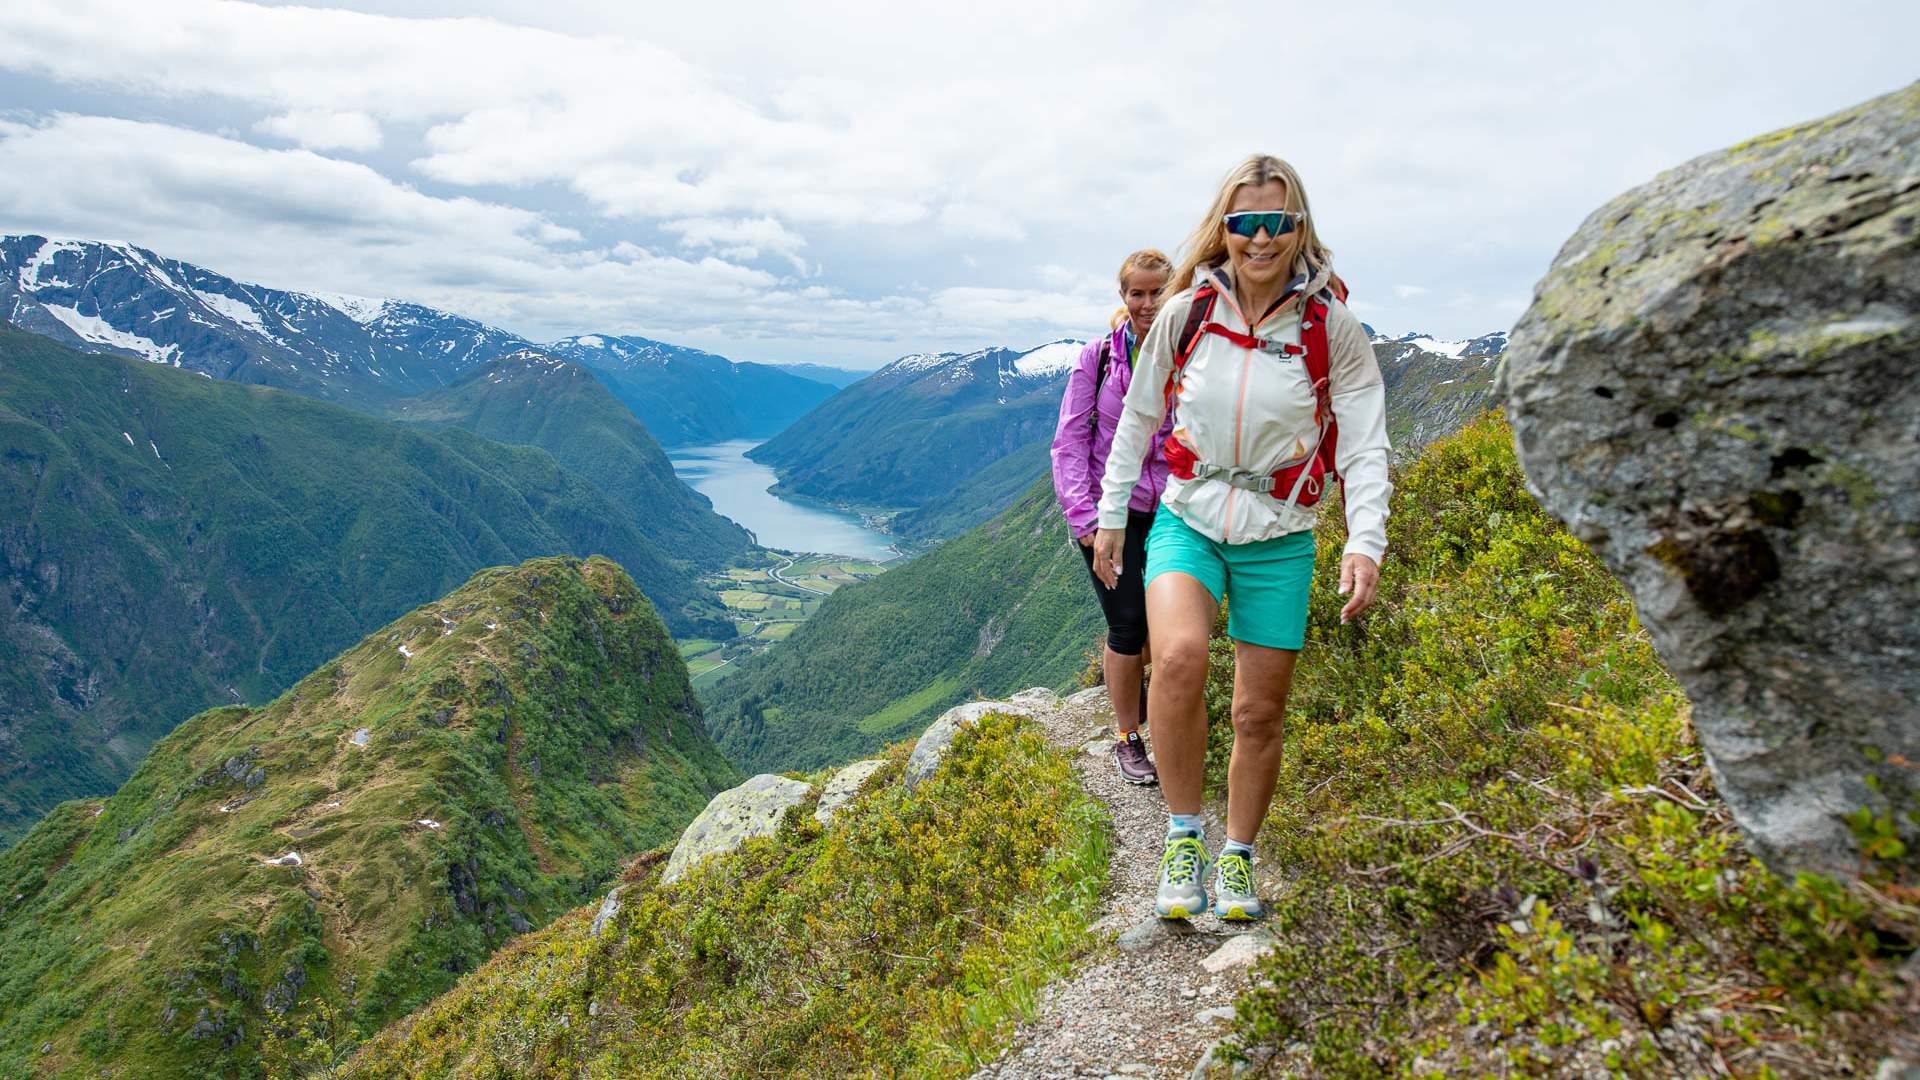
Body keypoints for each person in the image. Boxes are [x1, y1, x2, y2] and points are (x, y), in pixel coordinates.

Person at [1092, 155, 1390, 921]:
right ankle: (1183, 832)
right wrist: (1113, 513)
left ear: (1300, 229)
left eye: (1277, 223)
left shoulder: (1334, 330)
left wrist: (1366, 541)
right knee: (1181, 659)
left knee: (1259, 711)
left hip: (1282, 533)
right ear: (1222, 229)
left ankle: (1237, 857)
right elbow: (1138, 418)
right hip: (1189, 518)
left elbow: (1363, 441)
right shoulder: (1191, 313)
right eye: (1244, 223)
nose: (1260, 239)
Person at [1051, 248, 1176, 785]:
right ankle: (1129, 737)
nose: (1148, 303)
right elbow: (1070, 442)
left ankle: (1158, 709)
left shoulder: (1190, 354)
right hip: (1111, 518)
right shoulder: (1099, 359)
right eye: (1137, 293)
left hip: (1175, 511)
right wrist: (1087, 523)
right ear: (1123, 297)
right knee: (1127, 624)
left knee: (1169, 627)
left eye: (1157, 292)